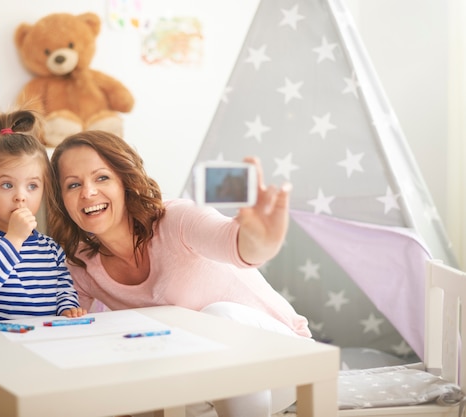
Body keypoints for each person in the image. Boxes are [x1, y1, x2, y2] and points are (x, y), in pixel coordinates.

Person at [46, 130, 312, 417]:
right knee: (139, 396)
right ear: (62, 200)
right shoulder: (81, 265)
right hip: (204, 377)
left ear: (125, 182)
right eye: (73, 185)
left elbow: (235, 242)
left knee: (217, 317)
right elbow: (70, 340)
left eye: (101, 177)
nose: (87, 192)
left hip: (282, 359)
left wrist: (262, 239)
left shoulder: (177, 220)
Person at [0, 109, 86, 324]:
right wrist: (14, 239)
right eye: (7, 185)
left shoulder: (50, 249)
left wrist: (67, 308)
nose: (20, 196)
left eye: (32, 186)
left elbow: (63, 290)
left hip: (38, 343)